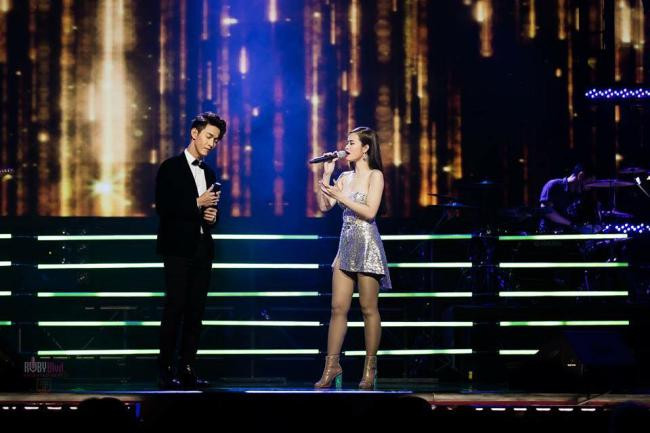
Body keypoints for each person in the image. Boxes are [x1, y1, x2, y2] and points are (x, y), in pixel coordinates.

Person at [314, 126, 391, 390]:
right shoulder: (344, 177)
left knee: (368, 308)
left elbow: (370, 212)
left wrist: (341, 197)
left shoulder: (375, 175)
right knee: (337, 308)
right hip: (345, 245)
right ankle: (331, 366)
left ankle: (370, 369)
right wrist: (326, 176)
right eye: (346, 143)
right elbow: (325, 206)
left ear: (365, 148)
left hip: (367, 244)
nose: (346, 147)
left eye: (351, 143)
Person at [155, 112, 226, 389]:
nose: (211, 143)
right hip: (177, 249)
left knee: (196, 311)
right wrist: (198, 202)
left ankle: (187, 368)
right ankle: (165, 369)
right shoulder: (170, 167)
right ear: (194, 133)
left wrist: (212, 216)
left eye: (216, 140)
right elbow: (164, 207)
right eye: (209, 137)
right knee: (175, 308)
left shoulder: (209, 172)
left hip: (201, 249)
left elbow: (210, 212)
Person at [539, 164, 596, 233]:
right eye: (590, 182)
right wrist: (572, 225)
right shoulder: (554, 185)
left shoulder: (580, 193)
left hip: (570, 233)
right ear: (581, 175)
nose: (590, 186)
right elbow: (547, 211)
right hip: (550, 234)